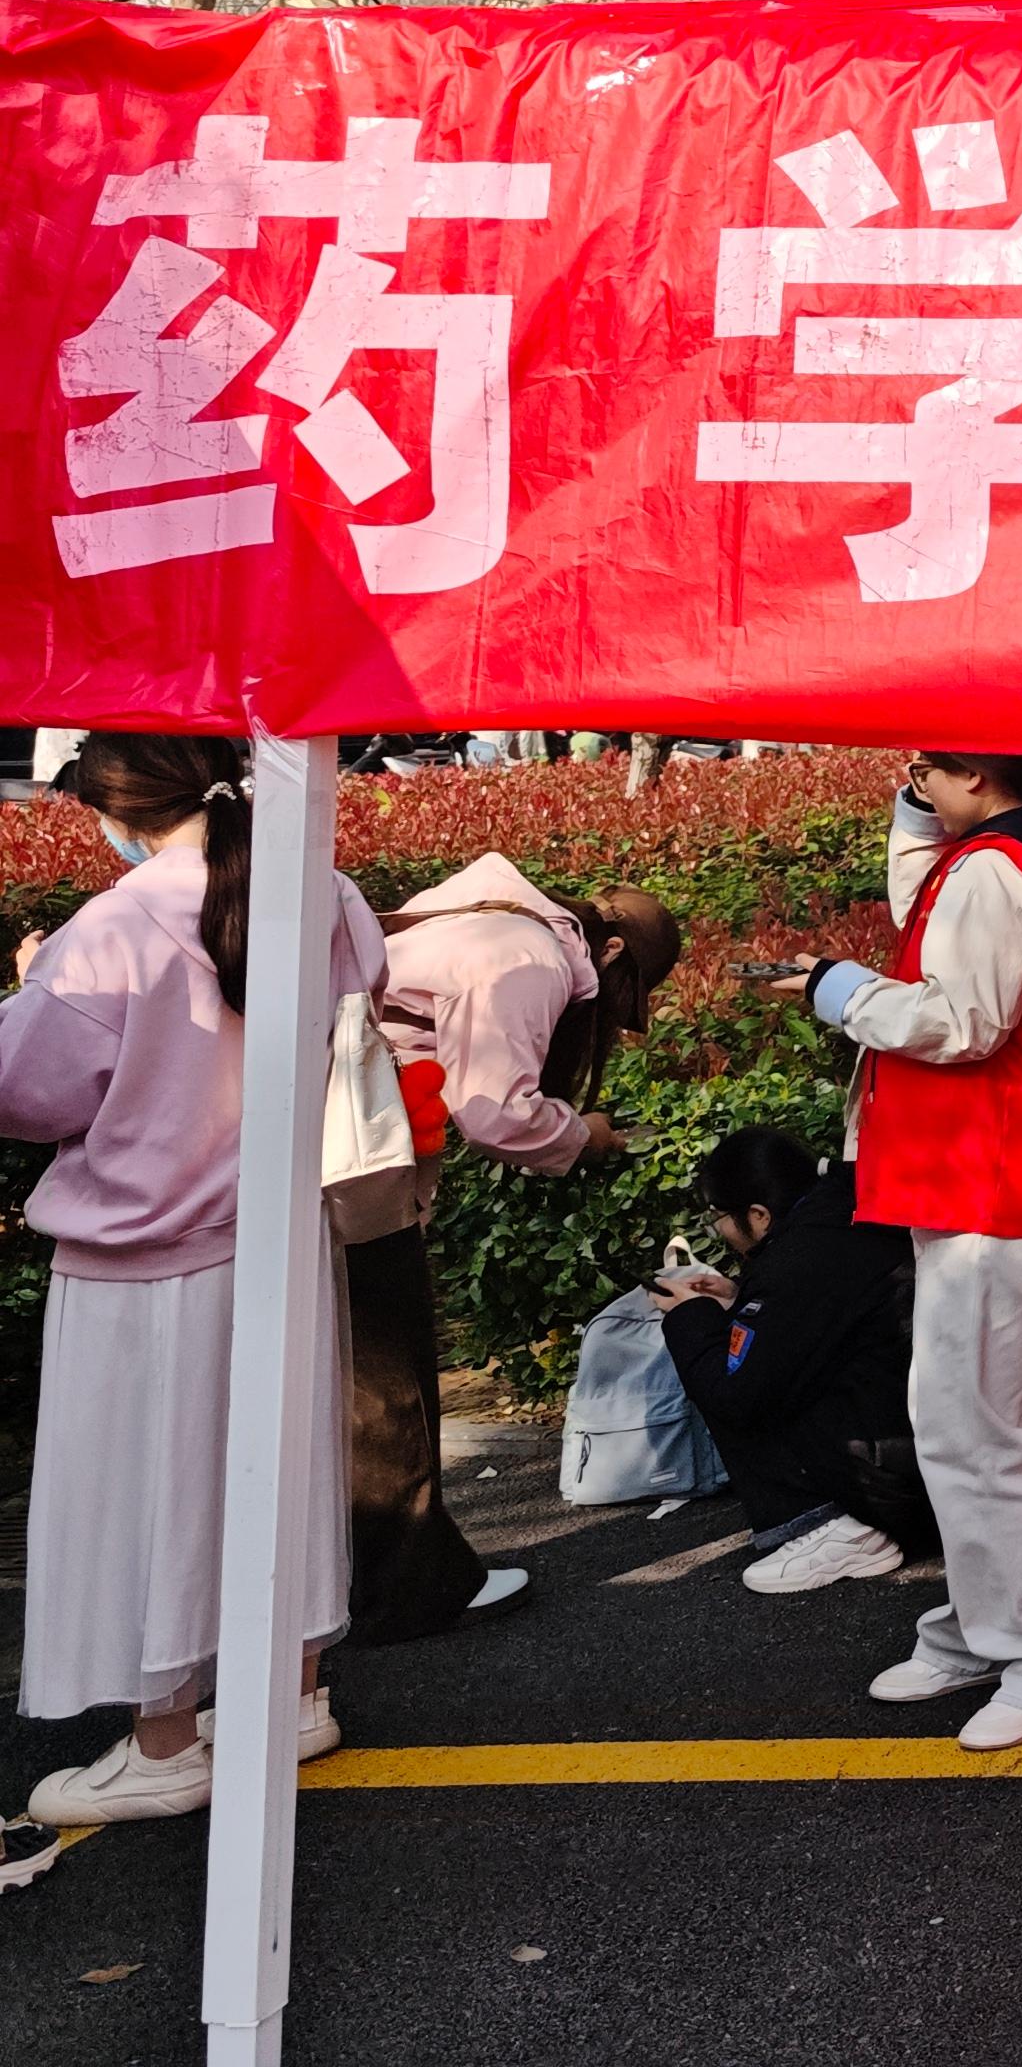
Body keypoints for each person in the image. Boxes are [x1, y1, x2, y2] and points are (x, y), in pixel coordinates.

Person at [5, 736, 378, 1824]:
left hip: (143, 1262)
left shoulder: (109, 928)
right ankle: (291, 1698)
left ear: (117, 808)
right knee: (279, 1472)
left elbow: (25, 1090)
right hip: (280, 1238)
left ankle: (165, 1742)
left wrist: (31, 986)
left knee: (147, 1501)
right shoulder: (321, 889)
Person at [774, 752, 1022, 1753]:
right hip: (995, 1176)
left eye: (924, 765)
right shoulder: (1018, 853)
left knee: (977, 1440)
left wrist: (838, 989)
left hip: (996, 1181)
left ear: (970, 776)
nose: (914, 776)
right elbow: (927, 909)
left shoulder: (995, 868)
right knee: (957, 1432)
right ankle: (987, 1629)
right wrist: (918, 805)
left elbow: (961, 1021)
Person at [347, 856, 681, 1641]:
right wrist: (584, 1135)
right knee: (387, 1389)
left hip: (342, 1151)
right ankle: (407, 1590)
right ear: (609, 954)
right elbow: (496, 1113)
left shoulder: (480, 912)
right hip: (358, 1170)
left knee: (353, 1383)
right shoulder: (527, 956)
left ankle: (364, 1579)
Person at [653, 1126, 934, 1590]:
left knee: (720, 1372)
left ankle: (823, 1525)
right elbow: (817, 1324)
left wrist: (689, 1316)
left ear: (758, 1215)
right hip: (919, 1448)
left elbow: (735, 1393)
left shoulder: (799, 1261)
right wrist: (738, 1299)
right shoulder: (844, 1216)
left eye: (719, 1216)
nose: (718, 1230)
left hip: (885, 1482)